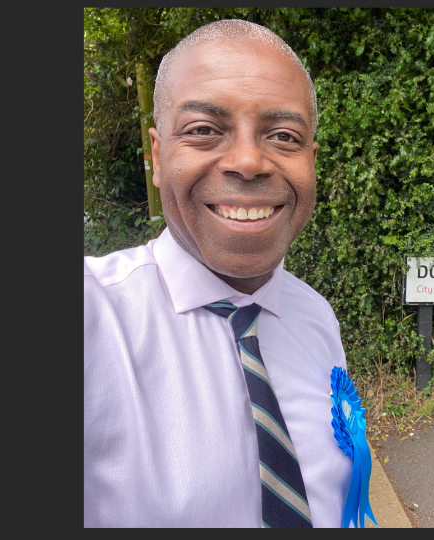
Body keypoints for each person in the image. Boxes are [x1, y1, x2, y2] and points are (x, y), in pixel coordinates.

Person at [84, 19, 352, 527]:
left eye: (283, 135)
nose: (250, 161)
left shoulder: (315, 317)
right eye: (204, 130)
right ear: (158, 155)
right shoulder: (94, 319)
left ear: (310, 162)